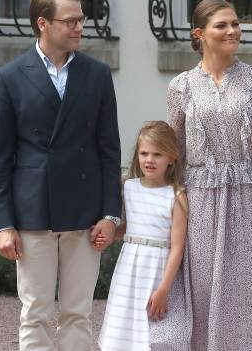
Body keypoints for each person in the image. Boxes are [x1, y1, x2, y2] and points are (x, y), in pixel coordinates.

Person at [0, 0, 121, 350]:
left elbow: (110, 150)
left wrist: (112, 214)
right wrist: (4, 224)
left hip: (85, 212)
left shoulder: (96, 74)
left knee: (79, 313)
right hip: (33, 211)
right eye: (71, 21)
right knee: (36, 312)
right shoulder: (8, 78)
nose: (79, 27)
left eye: (81, 19)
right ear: (43, 23)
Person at [167, 0, 252, 351]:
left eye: (235, 23)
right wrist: (164, 211)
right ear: (199, 34)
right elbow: (174, 154)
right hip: (201, 205)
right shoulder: (181, 86)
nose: (232, 30)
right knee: (204, 295)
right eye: (222, 25)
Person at [98, 121, 191, 351]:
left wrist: (164, 290)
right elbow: (131, 228)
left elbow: (177, 247)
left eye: (157, 154)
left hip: (157, 271)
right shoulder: (129, 187)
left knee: (153, 330)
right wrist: (109, 235)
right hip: (129, 269)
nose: (149, 160)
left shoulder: (176, 195)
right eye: (144, 153)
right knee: (122, 328)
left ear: (171, 158)